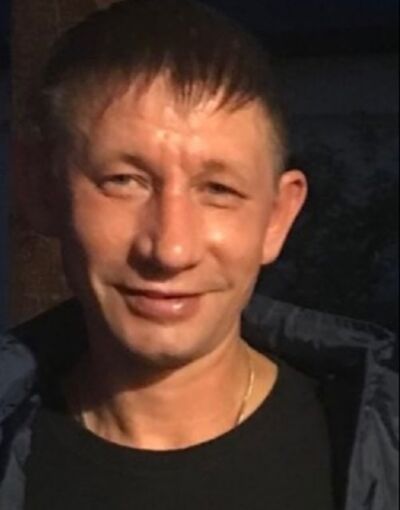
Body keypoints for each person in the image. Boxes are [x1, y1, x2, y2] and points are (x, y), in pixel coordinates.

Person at [0, 1, 397, 509]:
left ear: (277, 217)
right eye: (124, 181)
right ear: (40, 189)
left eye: (218, 190)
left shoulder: (380, 451)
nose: (171, 249)